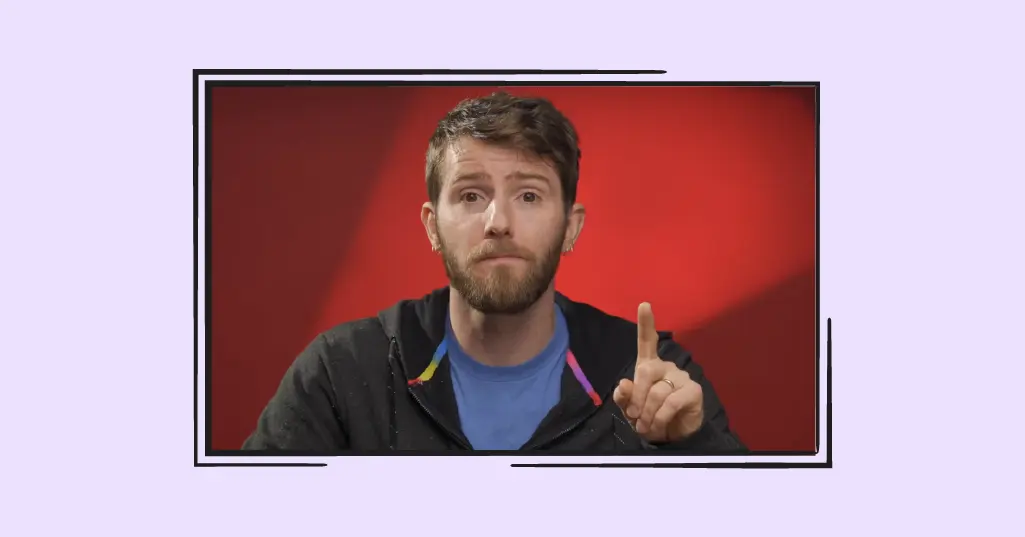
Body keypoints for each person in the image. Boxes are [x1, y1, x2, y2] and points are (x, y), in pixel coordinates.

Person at [242, 91, 746, 452]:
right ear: (432, 225)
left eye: (528, 195)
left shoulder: (652, 380)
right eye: (470, 195)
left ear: (571, 228)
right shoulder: (341, 373)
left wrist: (694, 443)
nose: (498, 222)